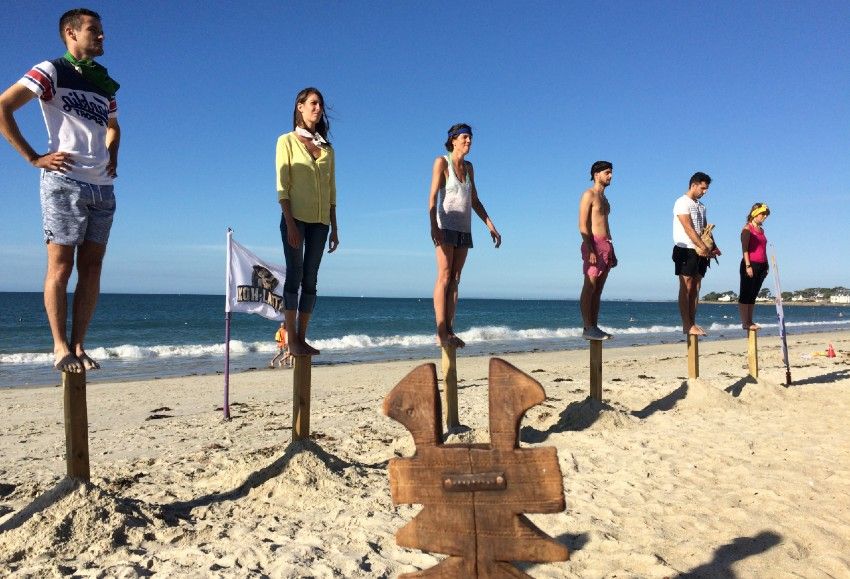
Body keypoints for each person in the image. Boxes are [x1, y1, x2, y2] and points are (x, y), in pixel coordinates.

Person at [0, 8, 120, 373]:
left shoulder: (104, 81)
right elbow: (4, 106)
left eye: (101, 30)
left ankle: (80, 344)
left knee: (93, 267)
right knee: (61, 266)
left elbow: (114, 126)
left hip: (102, 186)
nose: (101, 37)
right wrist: (34, 157)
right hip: (64, 180)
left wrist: (112, 154)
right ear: (71, 32)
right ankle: (59, 346)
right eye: (94, 31)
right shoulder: (51, 70)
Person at [276, 87, 339, 357]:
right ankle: (291, 340)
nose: (318, 108)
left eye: (320, 104)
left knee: (311, 279)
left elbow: (332, 190)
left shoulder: (327, 148)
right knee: (295, 274)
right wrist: (289, 222)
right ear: (299, 107)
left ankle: (302, 337)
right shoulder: (286, 141)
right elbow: (283, 186)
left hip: (321, 222)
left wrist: (335, 226)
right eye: (313, 103)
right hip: (295, 219)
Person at [429, 123, 501, 348]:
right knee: (445, 275)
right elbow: (432, 198)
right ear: (453, 140)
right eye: (465, 138)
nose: (469, 142)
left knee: (456, 278)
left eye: (470, 138)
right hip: (445, 226)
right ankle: (441, 331)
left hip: (464, 229)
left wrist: (490, 224)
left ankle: (450, 329)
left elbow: (474, 200)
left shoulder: (469, 168)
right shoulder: (442, 162)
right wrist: (433, 226)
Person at [672, 172, 721, 336]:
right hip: (685, 248)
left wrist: (713, 247)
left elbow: (705, 229)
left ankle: (692, 322)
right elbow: (688, 228)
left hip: (701, 250)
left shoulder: (701, 206)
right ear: (694, 185)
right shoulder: (682, 202)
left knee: (696, 286)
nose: (705, 191)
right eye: (703, 188)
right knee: (686, 286)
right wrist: (702, 246)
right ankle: (687, 324)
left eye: (706, 189)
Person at [579, 161, 617, 340]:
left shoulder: (605, 200)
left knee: (598, 289)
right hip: (592, 243)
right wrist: (590, 248)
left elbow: (606, 225)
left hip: (605, 245)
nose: (610, 176)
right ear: (596, 174)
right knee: (590, 286)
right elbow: (582, 224)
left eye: (611, 173)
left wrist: (612, 249)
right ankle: (587, 327)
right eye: (607, 172)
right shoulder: (589, 194)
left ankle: (594, 326)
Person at [738, 203, 770, 330]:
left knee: (753, 294)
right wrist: (748, 265)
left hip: (762, 265)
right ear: (755, 214)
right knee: (745, 293)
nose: (765, 217)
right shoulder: (747, 229)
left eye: (766, 215)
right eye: (763, 214)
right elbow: (745, 249)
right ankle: (745, 322)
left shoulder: (762, 230)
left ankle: (750, 321)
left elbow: (763, 249)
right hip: (750, 264)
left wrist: (766, 265)